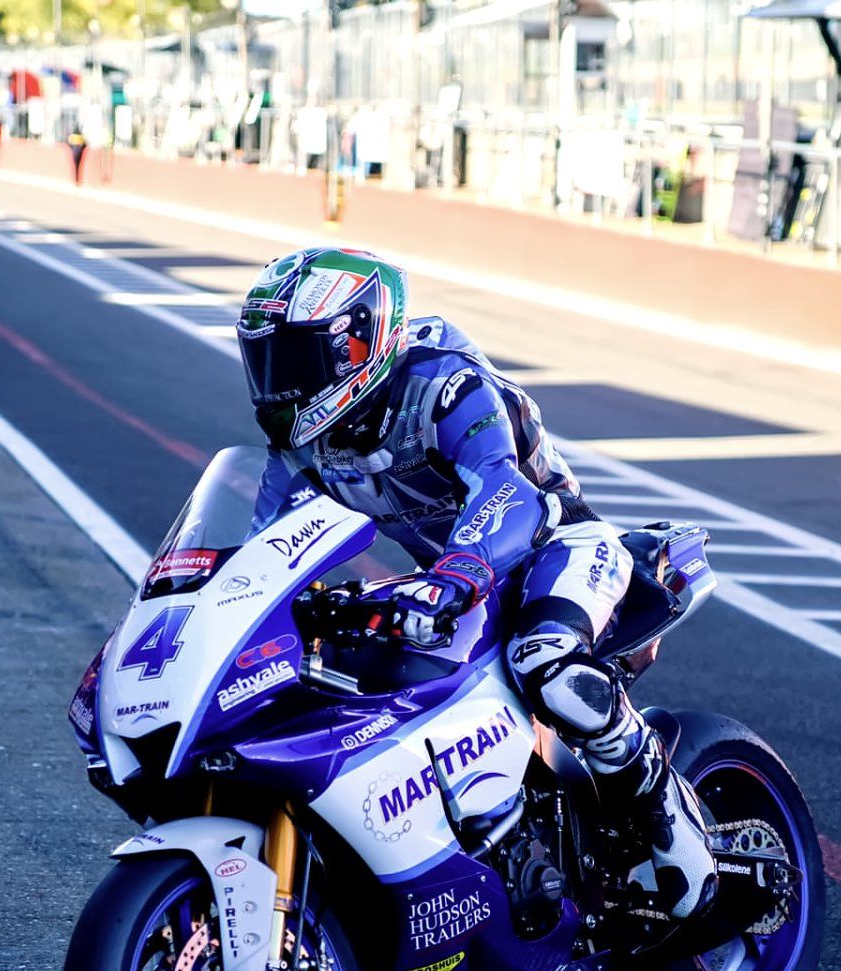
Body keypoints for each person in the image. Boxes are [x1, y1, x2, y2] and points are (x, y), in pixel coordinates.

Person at [238, 248, 717, 919]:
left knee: (546, 662)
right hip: (452, 579)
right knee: (349, 677)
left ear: (357, 343)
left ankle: (672, 823)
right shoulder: (305, 446)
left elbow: (505, 490)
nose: (278, 386)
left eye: (295, 362)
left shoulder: (442, 383)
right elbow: (260, 549)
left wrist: (457, 575)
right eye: (266, 363)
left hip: (556, 546)